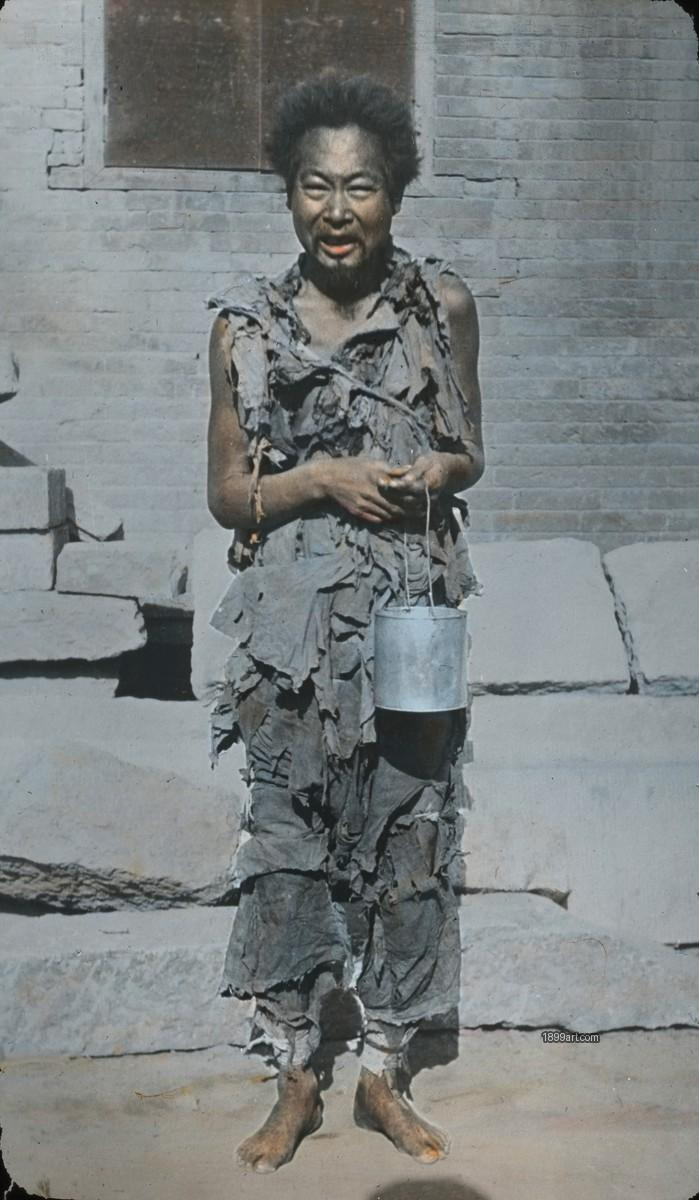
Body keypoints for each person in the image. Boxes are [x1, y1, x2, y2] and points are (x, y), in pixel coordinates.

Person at [206, 74, 484, 1174]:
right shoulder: (244, 327)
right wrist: (319, 476)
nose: (335, 208)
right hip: (288, 636)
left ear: (394, 193)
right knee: (288, 846)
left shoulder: (442, 307)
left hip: (411, 621)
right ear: (287, 194)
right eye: (313, 185)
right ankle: (293, 1079)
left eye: (359, 185)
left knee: (413, 838)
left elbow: (473, 451)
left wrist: (436, 467)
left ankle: (383, 1077)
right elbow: (230, 494)